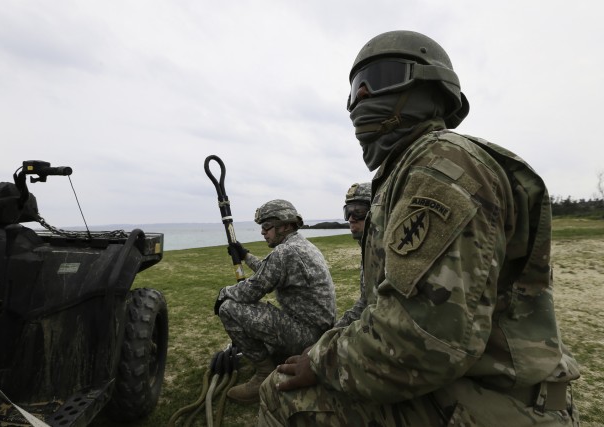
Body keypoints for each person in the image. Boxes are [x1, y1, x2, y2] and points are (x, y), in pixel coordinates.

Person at [258, 30, 580, 426]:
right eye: (354, 89)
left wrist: (322, 362)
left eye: (378, 80)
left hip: (494, 402)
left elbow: (420, 344)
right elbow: (379, 303)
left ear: (430, 88)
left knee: (280, 397)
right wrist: (324, 346)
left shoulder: (439, 168)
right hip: (472, 382)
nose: (360, 98)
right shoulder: (406, 173)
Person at [214, 199, 336, 404]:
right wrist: (245, 255)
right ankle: (276, 357)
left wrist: (222, 293)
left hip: (306, 335)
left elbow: (251, 291)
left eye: (266, 226)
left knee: (228, 308)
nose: (263, 232)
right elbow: (269, 269)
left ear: (286, 225)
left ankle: (263, 374)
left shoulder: (285, 252)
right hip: (318, 333)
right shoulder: (300, 245)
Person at [334, 182, 371, 328]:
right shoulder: (369, 248)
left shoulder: (387, 252)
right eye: (348, 211)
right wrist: (335, 330)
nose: (351, 218)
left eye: (359, 211)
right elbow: (365, 302)